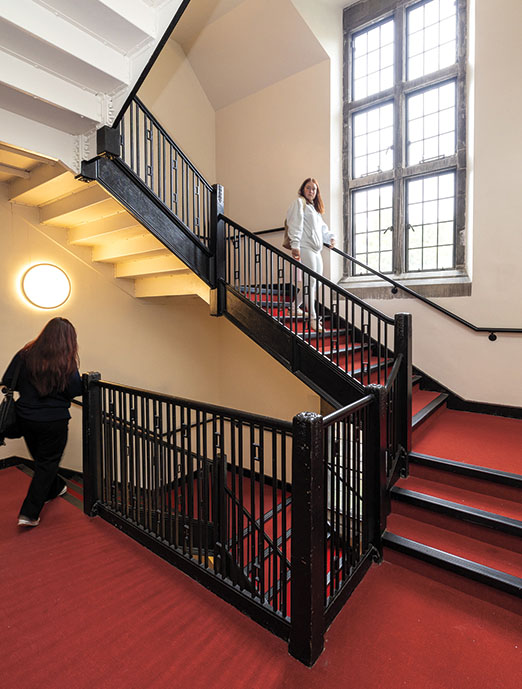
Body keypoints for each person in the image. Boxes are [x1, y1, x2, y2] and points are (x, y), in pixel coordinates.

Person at [1, 318, 82, 527]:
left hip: (26, 417)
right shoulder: (66, 362)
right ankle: (29, 513)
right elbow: (74, 390)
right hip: (54, 421)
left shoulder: (25, 355)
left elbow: (9, 380)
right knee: (46, 463)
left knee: (42, 461)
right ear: (69, 341)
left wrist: (31, 390)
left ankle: (55, 488)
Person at [285, 178, 335, 331]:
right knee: (310, 283)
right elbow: (294, 223)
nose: (311, 191)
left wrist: (330, 238)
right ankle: (313, 317)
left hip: (316, 250)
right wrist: (295, 245)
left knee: (315, 283)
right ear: (303, 189)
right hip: (305, 247)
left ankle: (294, 307)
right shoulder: (299, 203)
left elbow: (322, 228)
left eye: (314, 189)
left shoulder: (314, 209)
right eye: (308, 188)